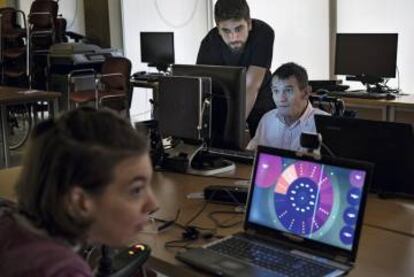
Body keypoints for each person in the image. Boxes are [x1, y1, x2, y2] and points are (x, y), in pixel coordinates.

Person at [0, 107, 157, 276]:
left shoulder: (10, 227)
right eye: (136, 190)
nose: (153, 203)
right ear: (80, 202)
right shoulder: (62, 271)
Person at [197, 0, 275, 137]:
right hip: (224, 98)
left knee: (265, 143)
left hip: (260, 96)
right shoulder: (209, 44)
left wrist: (233, 130)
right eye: (226, 31)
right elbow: (202, 91)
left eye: (238, 29)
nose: (233, 37)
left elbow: (251, 85)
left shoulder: (264, 33)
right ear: (218, 29)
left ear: (249, 24)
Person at [247, 62, 329, 151]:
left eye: (288, 90)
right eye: (276, 91)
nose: (281, 99)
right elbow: (252, 156)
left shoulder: (325, 124)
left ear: (306, 93)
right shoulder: (267, 119)